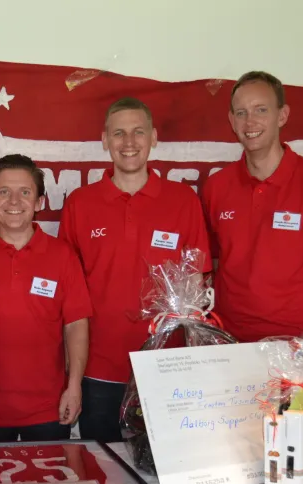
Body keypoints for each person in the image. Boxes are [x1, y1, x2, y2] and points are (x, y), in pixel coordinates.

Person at [59, 98, 212, 443]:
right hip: (97, 366)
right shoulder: (80, 204)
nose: (129, 142)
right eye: (119, 133)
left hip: (164, 365)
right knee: (101, 465)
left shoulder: (183, 200)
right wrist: (71, 370)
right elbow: (67, 294)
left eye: (138, 132)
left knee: (161, 465)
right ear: (105, 140)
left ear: (153, 137)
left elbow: (195, 282)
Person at [0, 154, 92, 443]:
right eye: (4, 192)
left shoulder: (63, 256)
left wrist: (74, 387)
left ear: (39, 202)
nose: (14, 201)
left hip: (49, 409)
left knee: (51, 474)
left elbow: (76, 325)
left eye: (25, 192)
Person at [201, 70, 303, 342]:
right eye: (241, 112)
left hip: (295, 346)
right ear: (232, 121)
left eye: (261, 110)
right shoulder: (217, 187)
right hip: (230, 341)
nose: (250, 121)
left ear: (282, 115)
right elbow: (214, 262)